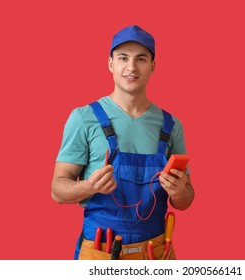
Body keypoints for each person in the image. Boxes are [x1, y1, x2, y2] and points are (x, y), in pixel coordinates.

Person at [51, 25, 194, 260]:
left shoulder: (171, 125)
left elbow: (185, 200)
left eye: (141, 59)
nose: (131, 67)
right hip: (101, 251)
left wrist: (179, 192)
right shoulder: (83, 118)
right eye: (123, 58)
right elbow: (57, 191)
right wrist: (89, 187)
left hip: (156, 254)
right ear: (110, 64)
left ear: (152, 66)